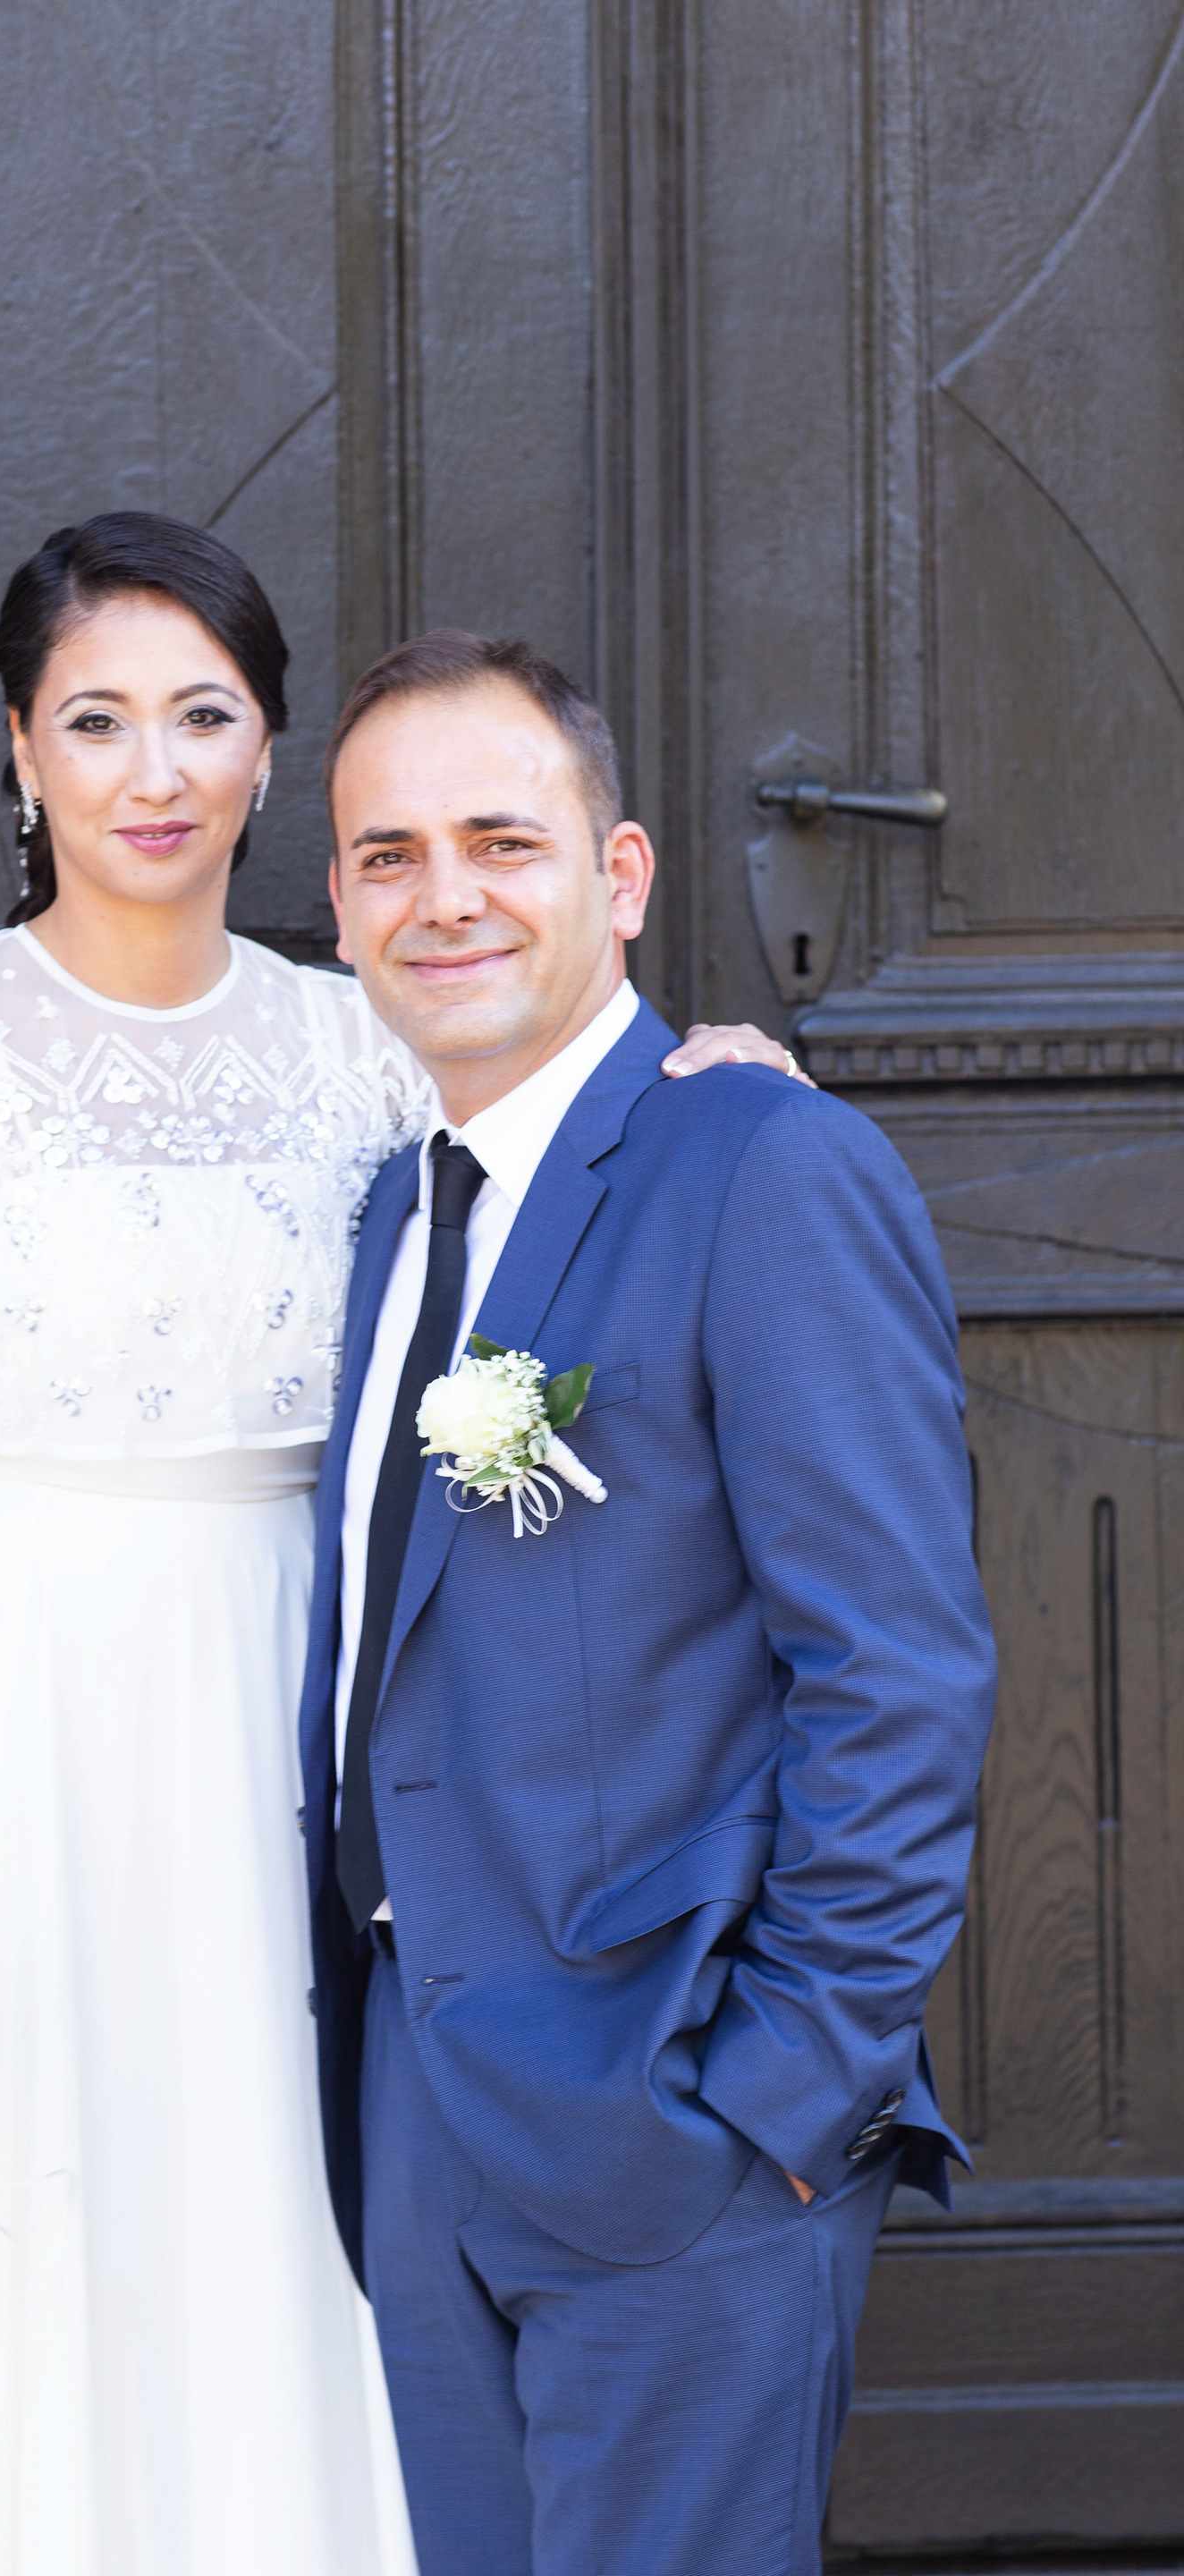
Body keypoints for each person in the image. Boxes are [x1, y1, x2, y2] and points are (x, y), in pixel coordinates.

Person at [0, 513, 802, 2574]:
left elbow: (571, 1131)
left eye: (202, 716)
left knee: (279, 2197)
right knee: (25, 2198)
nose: (156, 772)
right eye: (96, 721)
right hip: (7, 1708)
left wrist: (714, 1076)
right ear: (20, 753)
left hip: (301, 1701)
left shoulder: (360, 1039)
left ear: (269, 749)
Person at [303, 630, 998, 2576]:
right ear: (339, 908)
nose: (444, 897)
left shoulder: (762, 1164)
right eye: (388, 855)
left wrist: (779, 2095)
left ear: (621, 878)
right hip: (419, 2104)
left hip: (678, 2110)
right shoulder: (394, 1211)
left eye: (502, 842)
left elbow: (898, 1672)